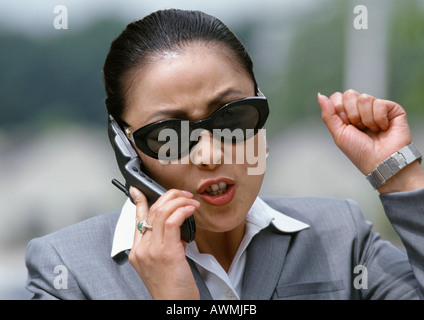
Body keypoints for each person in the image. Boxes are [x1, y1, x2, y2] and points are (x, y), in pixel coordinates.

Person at [25, 9, 424, 300]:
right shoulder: (67, 271)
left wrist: (400, 176)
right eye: (169, 133)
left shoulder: (341, 235)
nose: (210, 154)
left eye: (233, 116)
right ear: (125, 146)